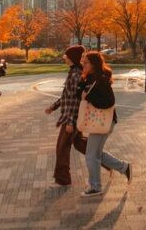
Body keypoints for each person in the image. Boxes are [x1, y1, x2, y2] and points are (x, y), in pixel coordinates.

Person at [78, 51, 132, 197]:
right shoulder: (89, 78)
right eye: (83, 62)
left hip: (104, 122)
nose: (83, 64)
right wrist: (82, 84)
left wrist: (89, 97)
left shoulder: (100, 80)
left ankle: (95, 187)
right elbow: (80, 95)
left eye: (86, 62)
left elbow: (109, 102)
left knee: (91, 154)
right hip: (97, 122)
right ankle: (124, 167)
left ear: (94, 64)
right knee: (95, 153)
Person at [44, 45, 91, 186]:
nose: (64, 57)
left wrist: (70, 121)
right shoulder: (74, 72)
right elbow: (67, 96)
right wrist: (53, 107)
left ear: (72, 58)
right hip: (71, 118)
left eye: (66, 55)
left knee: (62, 148)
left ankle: (63, 180)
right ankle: (114, 164)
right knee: (82, 145)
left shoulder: (76, 74)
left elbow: (76, 101)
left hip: (71, 119)